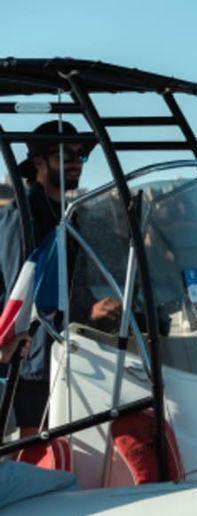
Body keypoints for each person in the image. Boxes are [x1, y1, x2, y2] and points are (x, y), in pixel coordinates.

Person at [0, 120, 120, 439]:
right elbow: (21, 297)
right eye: (65, 155)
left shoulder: (72, 214)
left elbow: (74, 282)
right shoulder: (21, 219)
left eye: (80, 156)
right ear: (39, 162)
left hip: (68, 349)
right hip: (31, 360)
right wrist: (86, 314)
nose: (75, 164)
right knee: (35, 439)